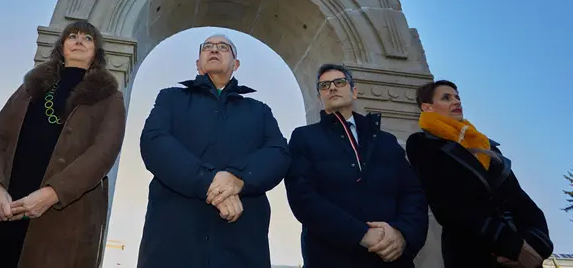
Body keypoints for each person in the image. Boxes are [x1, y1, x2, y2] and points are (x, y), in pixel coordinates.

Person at [0, 20, 126, 268]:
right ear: (61, 46)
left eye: (87, 38)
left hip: (64, 214)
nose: (79, 41)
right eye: (72, 36)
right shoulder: (30, 87)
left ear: (96, 52)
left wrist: (53, 193)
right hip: (2, 205)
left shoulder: (110, 97)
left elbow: (104, 152)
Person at [136, 34, 291, 268]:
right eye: (207, 47)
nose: (214, 50)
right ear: (198, 63)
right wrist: (208, 181)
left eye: (223, 47)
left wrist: (238, 179)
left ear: (236, 64)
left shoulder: (259, 110)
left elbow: (278, 153)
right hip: (174, 235)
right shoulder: (171, 97)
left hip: (241, 239)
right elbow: (154, 141)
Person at [285, 63, 429, 267]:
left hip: (391, 258)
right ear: (319, 98)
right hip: (331, 257)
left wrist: (402, 233)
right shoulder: (304, 137)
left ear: (354, 91)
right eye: (324, 86)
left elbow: (413, 193)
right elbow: (302, 197)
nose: (332, 88)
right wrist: (361, 234)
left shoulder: (385, 140)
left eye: (339, 82)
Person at [406, 80, 553, 268]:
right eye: (446, 98)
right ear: (428, 107)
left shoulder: (486, 146)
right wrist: (515, 248)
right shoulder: (423, 144)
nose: (456, 101)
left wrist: (536, 245)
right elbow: (449, 207)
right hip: (473, 255)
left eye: (457, 97)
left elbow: (520, 200)